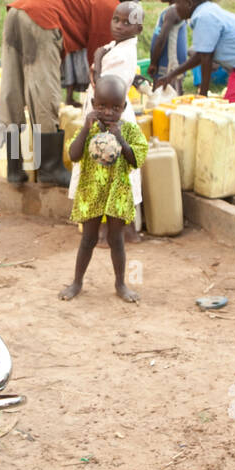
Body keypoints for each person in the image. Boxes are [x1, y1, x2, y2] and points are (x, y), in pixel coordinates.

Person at [0, 0, 145, 185]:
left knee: (12, 88)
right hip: (42, 19)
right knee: (44, 93)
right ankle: (49, 168)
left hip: (18, 10)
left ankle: (14, 168)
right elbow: (100, 65)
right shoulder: (112, 8)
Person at [60, 74, 147, 303]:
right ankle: (77, 282)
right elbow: (73, 154)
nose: (108, 112)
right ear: (92, 105)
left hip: (117, 195)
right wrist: (86, 130)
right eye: (102, 106)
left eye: (115, 107)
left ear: (124, 107)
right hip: (91, 194)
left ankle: (120, 284)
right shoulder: (87, 128)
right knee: (88, 239)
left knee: (116, 239)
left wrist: (121, 140)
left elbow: (137, 159)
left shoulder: (127, 130)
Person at [69, 2, 151, 240]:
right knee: (107, 174)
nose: (119, 26)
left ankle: (109, 230)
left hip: (109, 118)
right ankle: (115, 228)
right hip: (106, 113)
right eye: (116, 19)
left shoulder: (122, 53)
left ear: (138, 29)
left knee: (108, 173)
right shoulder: (116, 46)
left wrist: (96, 58)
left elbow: (102, 86)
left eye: (127, 23)